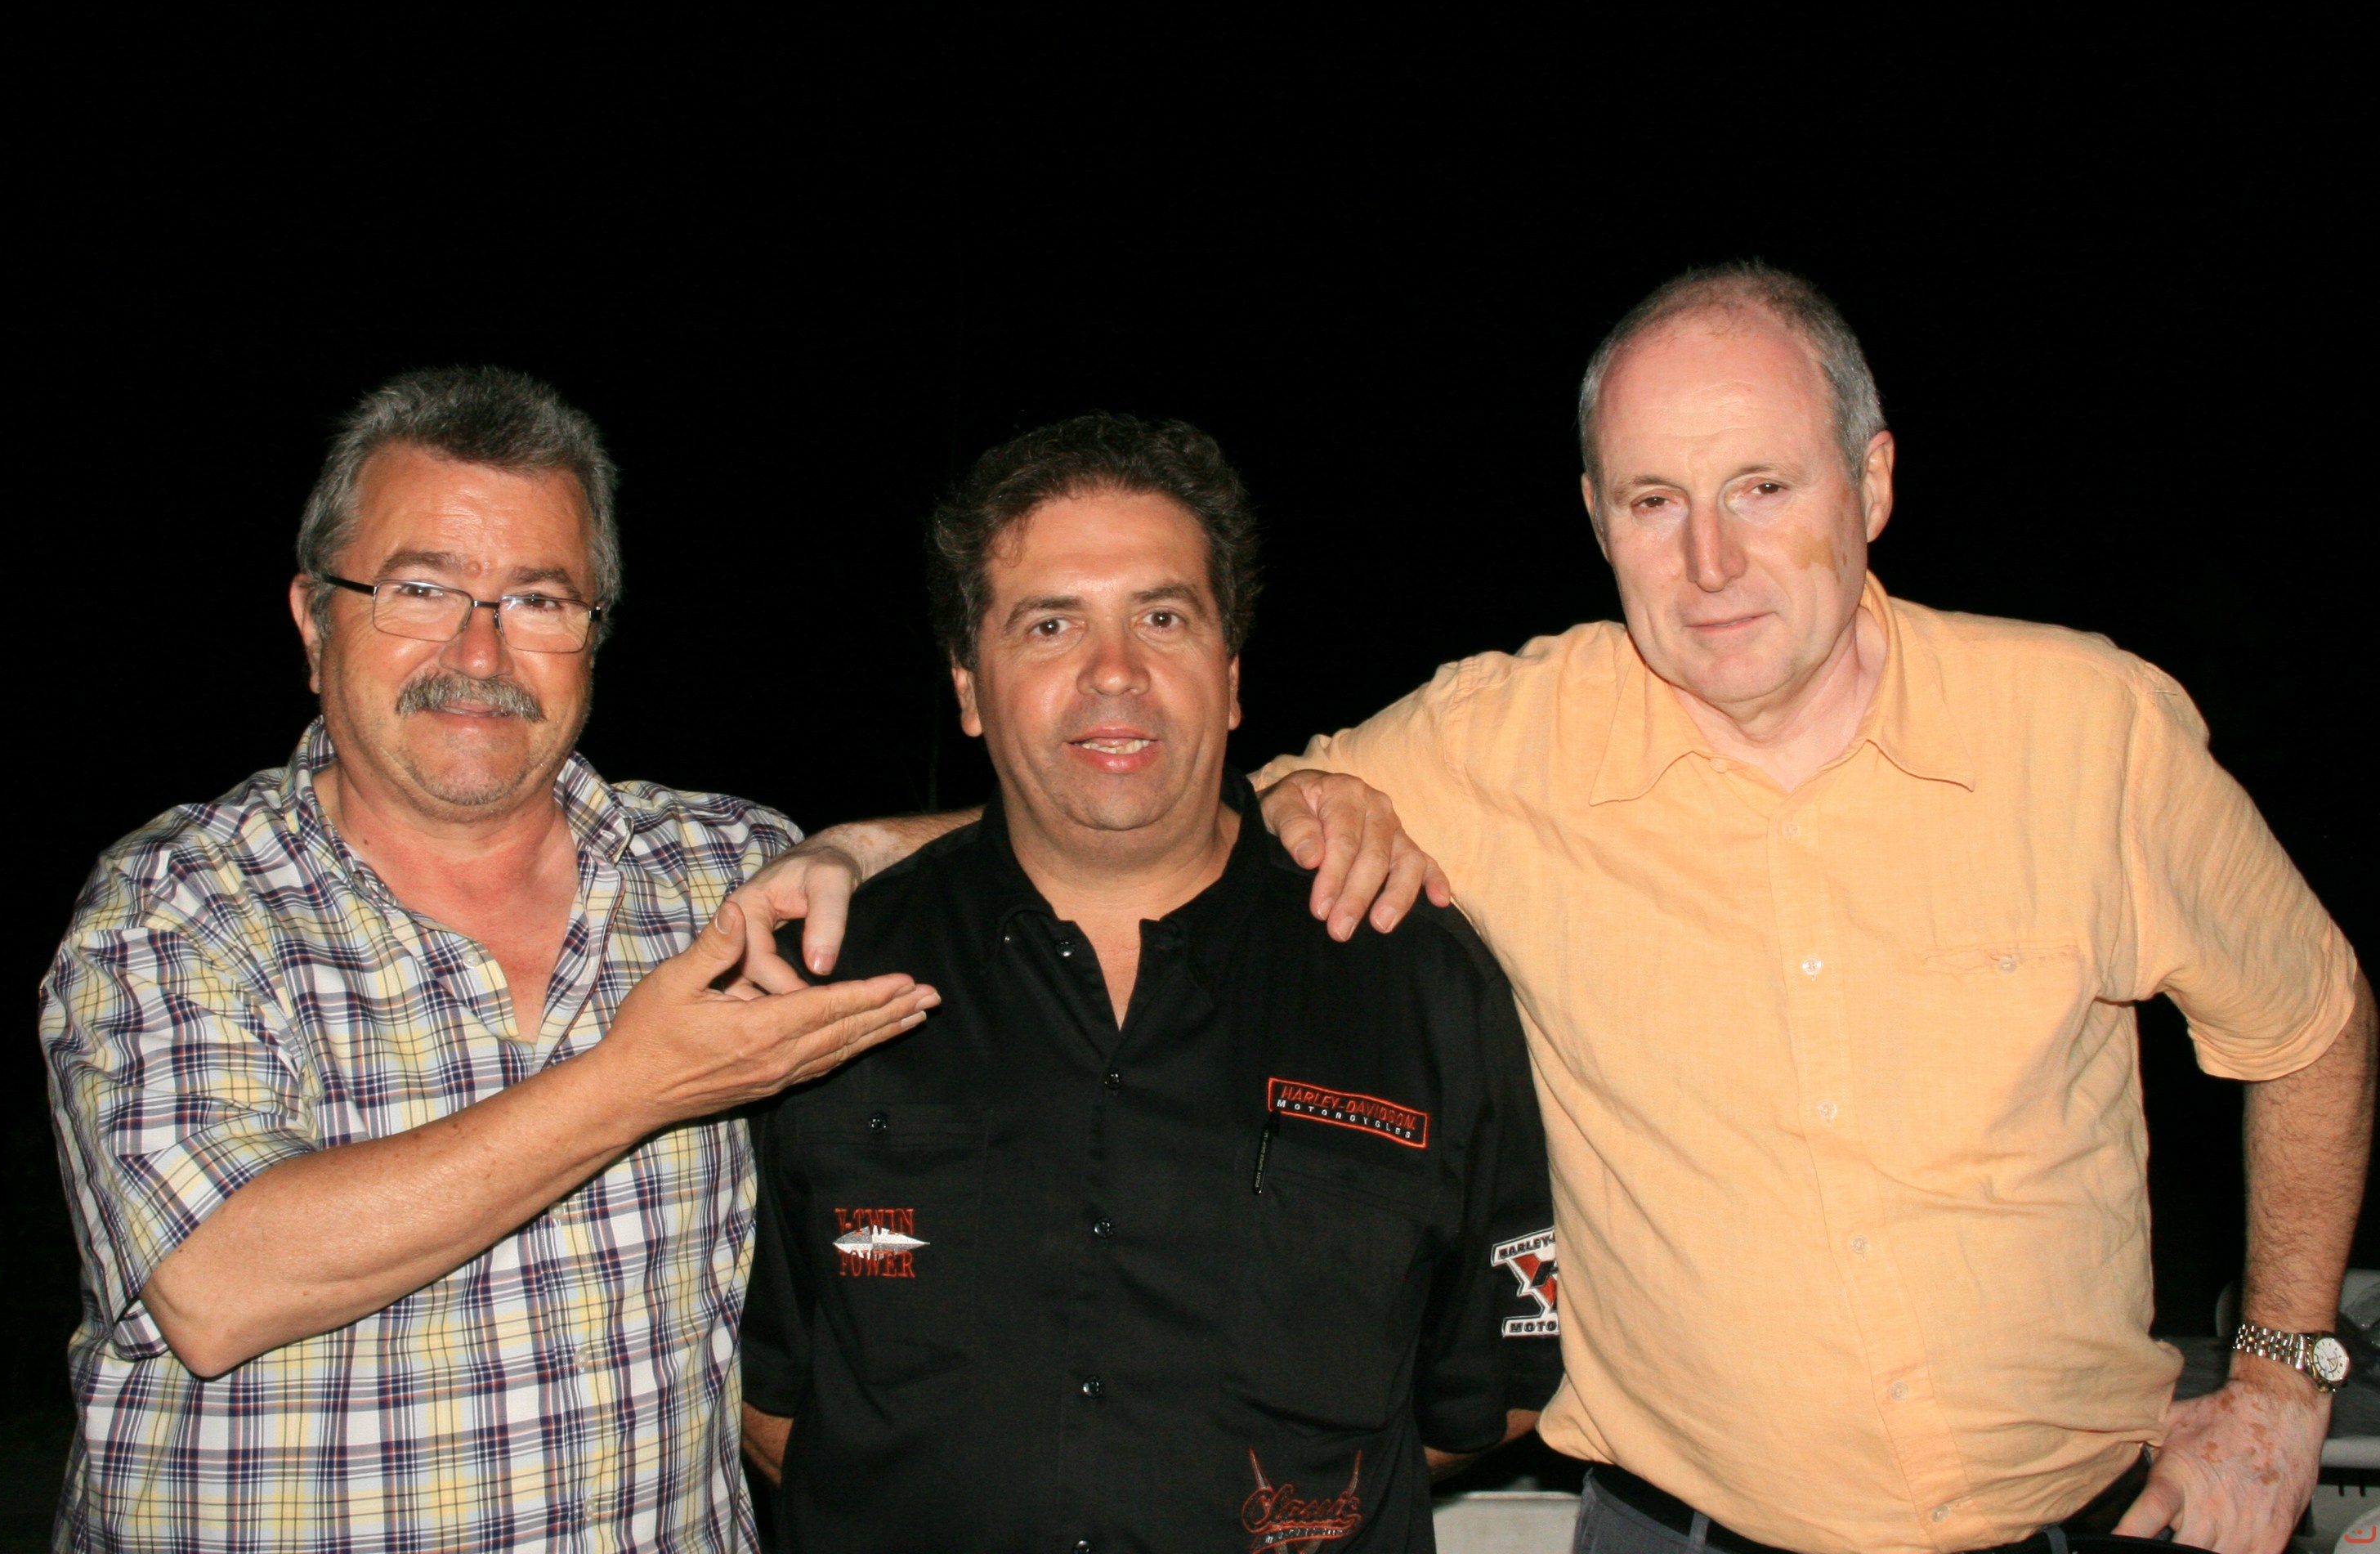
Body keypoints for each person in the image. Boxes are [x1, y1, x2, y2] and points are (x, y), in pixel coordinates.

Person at [740, 265, 2373, 1554]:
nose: (1712, 559)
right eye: (1655, 500)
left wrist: (2284, 1376)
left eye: (1762, 486)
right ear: (1596, 519)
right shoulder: (1499, 742)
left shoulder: (2089, 732)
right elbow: (1137, 796)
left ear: (1872, 482)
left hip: (2084, 1518)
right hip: (1677, 1531)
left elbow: (2311, 1024)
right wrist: (867, 848)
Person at [37, 368, 939, 1552]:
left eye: (539, 599)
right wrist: (634, 1084)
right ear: (313, 618)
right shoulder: (180, 900)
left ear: (594, 635)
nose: (481, 650)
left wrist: (855, 844)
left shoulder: (718, 870)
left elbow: (1049, 847)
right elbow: (214, 1284)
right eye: (421, 589)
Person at [731, 415, 1560, 1552]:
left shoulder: (1415, 979)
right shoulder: (819, 978)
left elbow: (1487, 1395)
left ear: (1231, 677)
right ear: (969, 687)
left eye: (1162, 618)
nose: (1114, 671)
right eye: (1050, 624)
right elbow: (767, 1399)